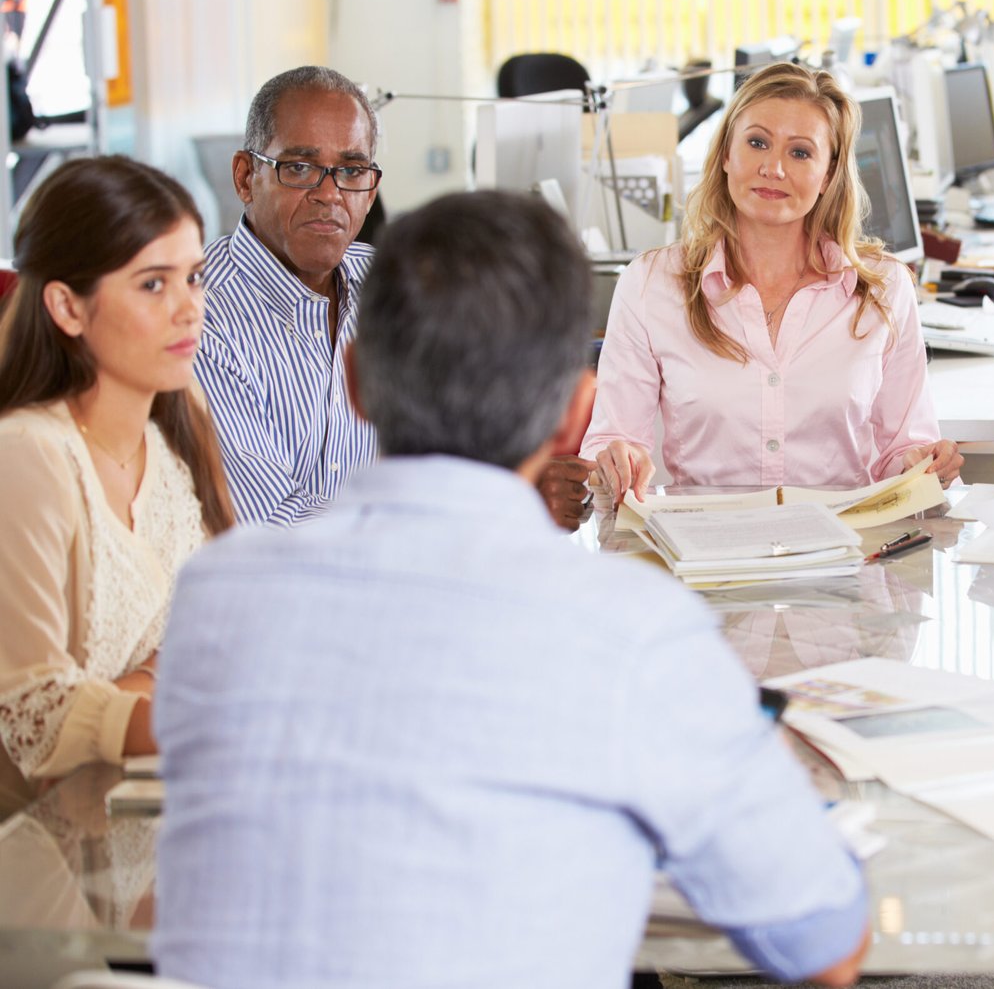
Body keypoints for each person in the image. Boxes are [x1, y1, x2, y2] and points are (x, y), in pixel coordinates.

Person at [153, 190, 870, 988]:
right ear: (575, 416)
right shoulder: (634, 629)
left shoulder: (214, 592)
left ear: (355, 381)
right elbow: (825, 941)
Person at [196, 65, 595, 529]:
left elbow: (455, 435)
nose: (329, 194)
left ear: (371, 192)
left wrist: (519, 475)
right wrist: (500, 503)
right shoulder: (201, 317)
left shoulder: (387, 281)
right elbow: (269, 527)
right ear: (246, 177)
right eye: (300, 168)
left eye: (351, 171)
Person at [582, 61, 960, 497]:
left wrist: (921, 463)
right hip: (707, 535)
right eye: (757, 143)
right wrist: (615, 461)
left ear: (828, 174)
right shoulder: (651, 284)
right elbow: (611, 440)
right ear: (726, 154)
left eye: (800, 153)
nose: (773, 168)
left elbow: (904, 448)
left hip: (840, 536)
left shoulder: (884, 288)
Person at [0, 156, 234, 816]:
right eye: (153, 284)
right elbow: (35, 713)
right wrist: (186, 709)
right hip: (38, 843)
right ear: (67, 307)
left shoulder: (180, 422)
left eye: (194, 277)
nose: (189, 308)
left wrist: (142, 682)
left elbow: (221, 624)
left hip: (143, 808)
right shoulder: (29, 455)